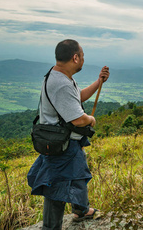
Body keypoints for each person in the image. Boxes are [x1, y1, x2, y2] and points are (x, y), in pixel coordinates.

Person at [27, 39, 110, 230]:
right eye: (82, 56)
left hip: (67, 143)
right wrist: (90, 119)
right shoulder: (61, 84)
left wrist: (99, 82)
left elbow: (77, 97)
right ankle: (51, 227)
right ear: (75, 57)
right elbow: (77, 119)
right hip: (61, 146)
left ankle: (80, 210)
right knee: (56, 186)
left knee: (78, 175)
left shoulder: (59, 76)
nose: (83, 59)